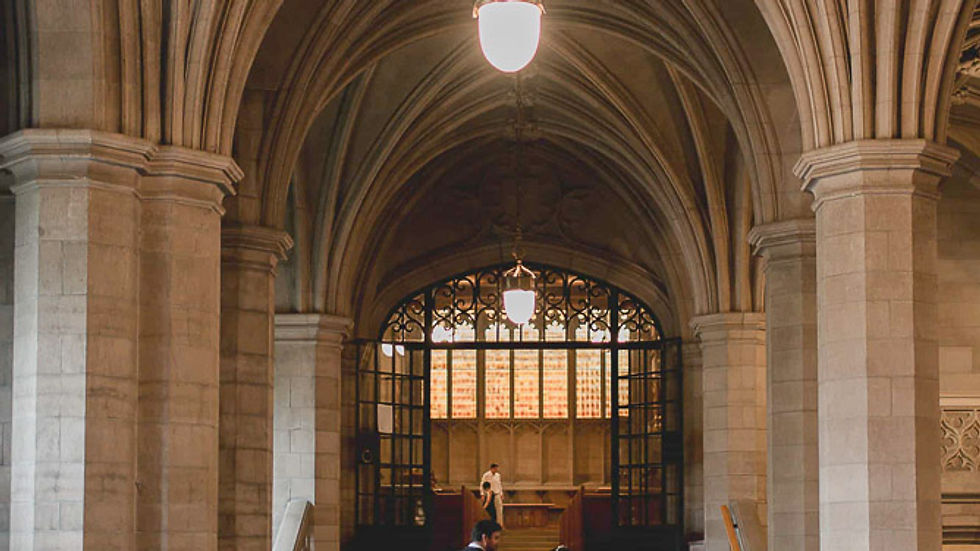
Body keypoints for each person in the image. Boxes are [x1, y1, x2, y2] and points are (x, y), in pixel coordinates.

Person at [480, 463, 504, 528]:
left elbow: (499, 484)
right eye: (495, 468)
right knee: (490, 510)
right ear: (492, 468)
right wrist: (482, 494)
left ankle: (500, 525)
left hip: (497, 493)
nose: (496, 470)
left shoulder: (498, 475)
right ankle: (490, 525)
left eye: (497, 468)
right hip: (489, 494)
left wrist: (501, 493)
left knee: (499, 510)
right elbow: (482, 484)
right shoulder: (486, 475)